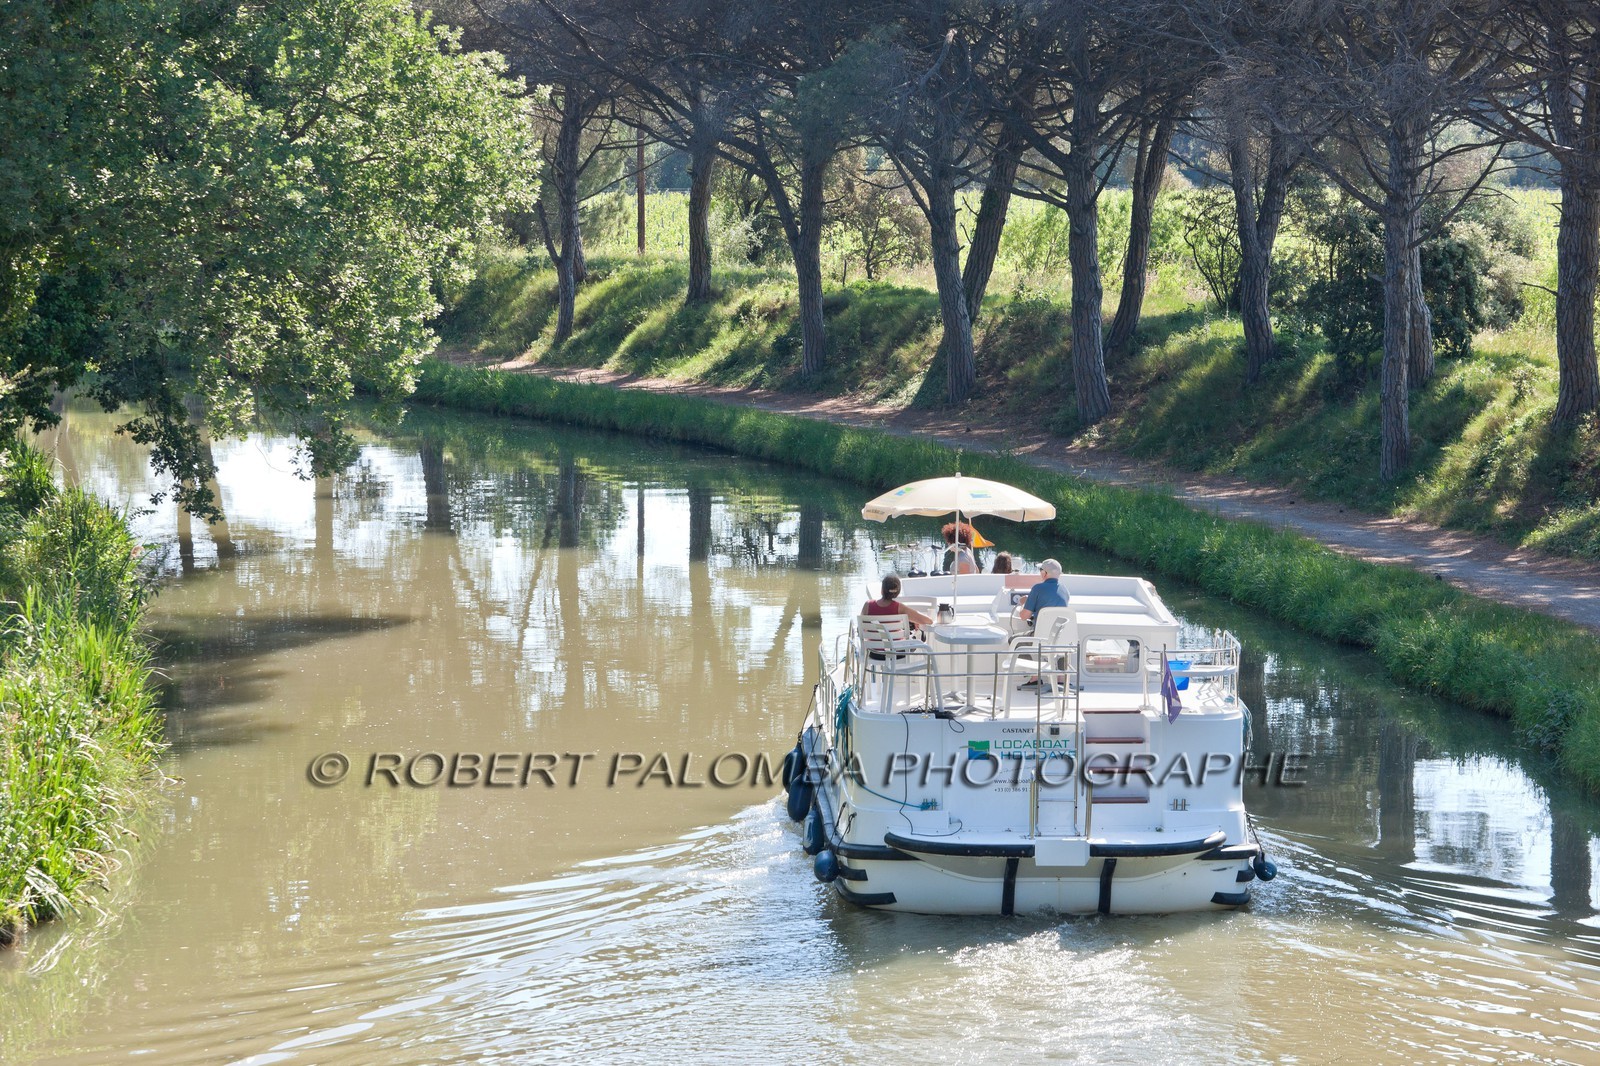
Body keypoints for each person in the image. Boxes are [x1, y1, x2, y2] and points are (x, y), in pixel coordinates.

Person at [860, 574, 932, 627]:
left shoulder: (868, 605)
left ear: (882, 590)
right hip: (896, 647)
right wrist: (914, 620)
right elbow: (928, 621)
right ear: (898, 592)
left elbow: (860, 627)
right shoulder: (900, 608)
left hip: (872, 646)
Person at [1018, 558, 1067, 627]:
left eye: (1040, 570)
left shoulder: (1037, 588)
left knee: (1013, 638)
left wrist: (1024, 603)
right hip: (1058, 635)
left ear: (1044, 573)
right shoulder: (1065, 590)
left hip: (1040, 635)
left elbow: (1024, 616)